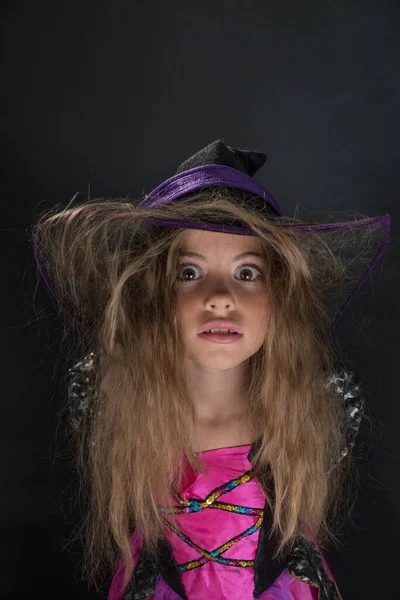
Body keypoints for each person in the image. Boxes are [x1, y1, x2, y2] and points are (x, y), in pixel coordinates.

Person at [33, 139, 390, 600]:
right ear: (153, 295)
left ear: (279, 296)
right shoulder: (116, 406)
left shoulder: (313, 408)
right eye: (189, 272)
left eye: (246, 273)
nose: (220, 297)